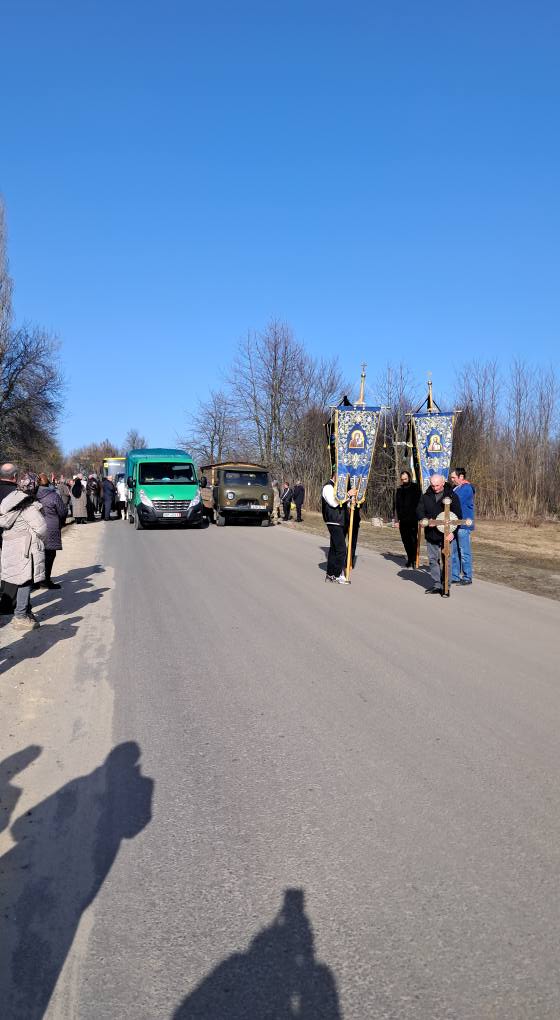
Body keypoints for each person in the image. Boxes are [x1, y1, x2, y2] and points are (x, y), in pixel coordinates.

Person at [0, 471, 47, 630]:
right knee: (25, 581)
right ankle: (20, 616)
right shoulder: (28, 505)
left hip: (12, 546)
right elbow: (41, 528)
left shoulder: (9, 499)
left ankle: (25, 612)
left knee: (19, 579)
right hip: (26, 548)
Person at [416, 473, 462, 594]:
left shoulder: (452, 496)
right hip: (431, 533)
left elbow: (458, 516)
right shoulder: (426, 496)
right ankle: (437, 584)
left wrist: (454, 532)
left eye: (437, 485)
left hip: (446, 534)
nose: (435, 488)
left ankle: (446, 586)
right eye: (433, 485)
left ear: (443, 483)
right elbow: (419, 511)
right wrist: (425, 520)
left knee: (446, 559)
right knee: (432, 559)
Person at [322, 474, 357, 584]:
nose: (344, 480)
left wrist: (350, 502)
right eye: (341, 476)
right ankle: (337, 575)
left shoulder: (338, 489)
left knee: (334, 549)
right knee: (342, 550)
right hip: (333, 521)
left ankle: (330, 574)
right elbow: (333, 502)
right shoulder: (328, 487)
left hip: (340, 521)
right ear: (335, 475)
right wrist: (348, 494)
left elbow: (342, 504)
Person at [36, 473, 67, 589]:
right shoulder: (53, 495)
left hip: (35, 528)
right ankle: (45, 581)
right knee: (49, 555)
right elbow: (63, 511)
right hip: (51, 528)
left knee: (37, 554)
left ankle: (36, 581)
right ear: (48, 482)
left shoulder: (33, 495)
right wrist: (61, 522)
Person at [450, 466, 475, 585]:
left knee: (464, 551)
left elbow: (456, 502)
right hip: (454, 525)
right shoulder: (455, 488)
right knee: (454, 552)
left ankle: (467, 576)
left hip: (464, 525)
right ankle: (455, 575)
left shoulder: (467, 488)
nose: (452, 480)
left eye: (453, 477)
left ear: (461, 477)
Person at [395, 470, 421, 567]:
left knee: (413, 539)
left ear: (409, 477)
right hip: (403, 519)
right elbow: (397, 505)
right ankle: (410, 558)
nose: (404, 481)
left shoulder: (415, 488)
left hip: (413, 518)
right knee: (405, 540)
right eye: (402, 479)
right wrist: (397, 520)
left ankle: (414, 559)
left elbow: (419, 503)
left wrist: (420, 516)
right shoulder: (399, 490)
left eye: (406, 479)